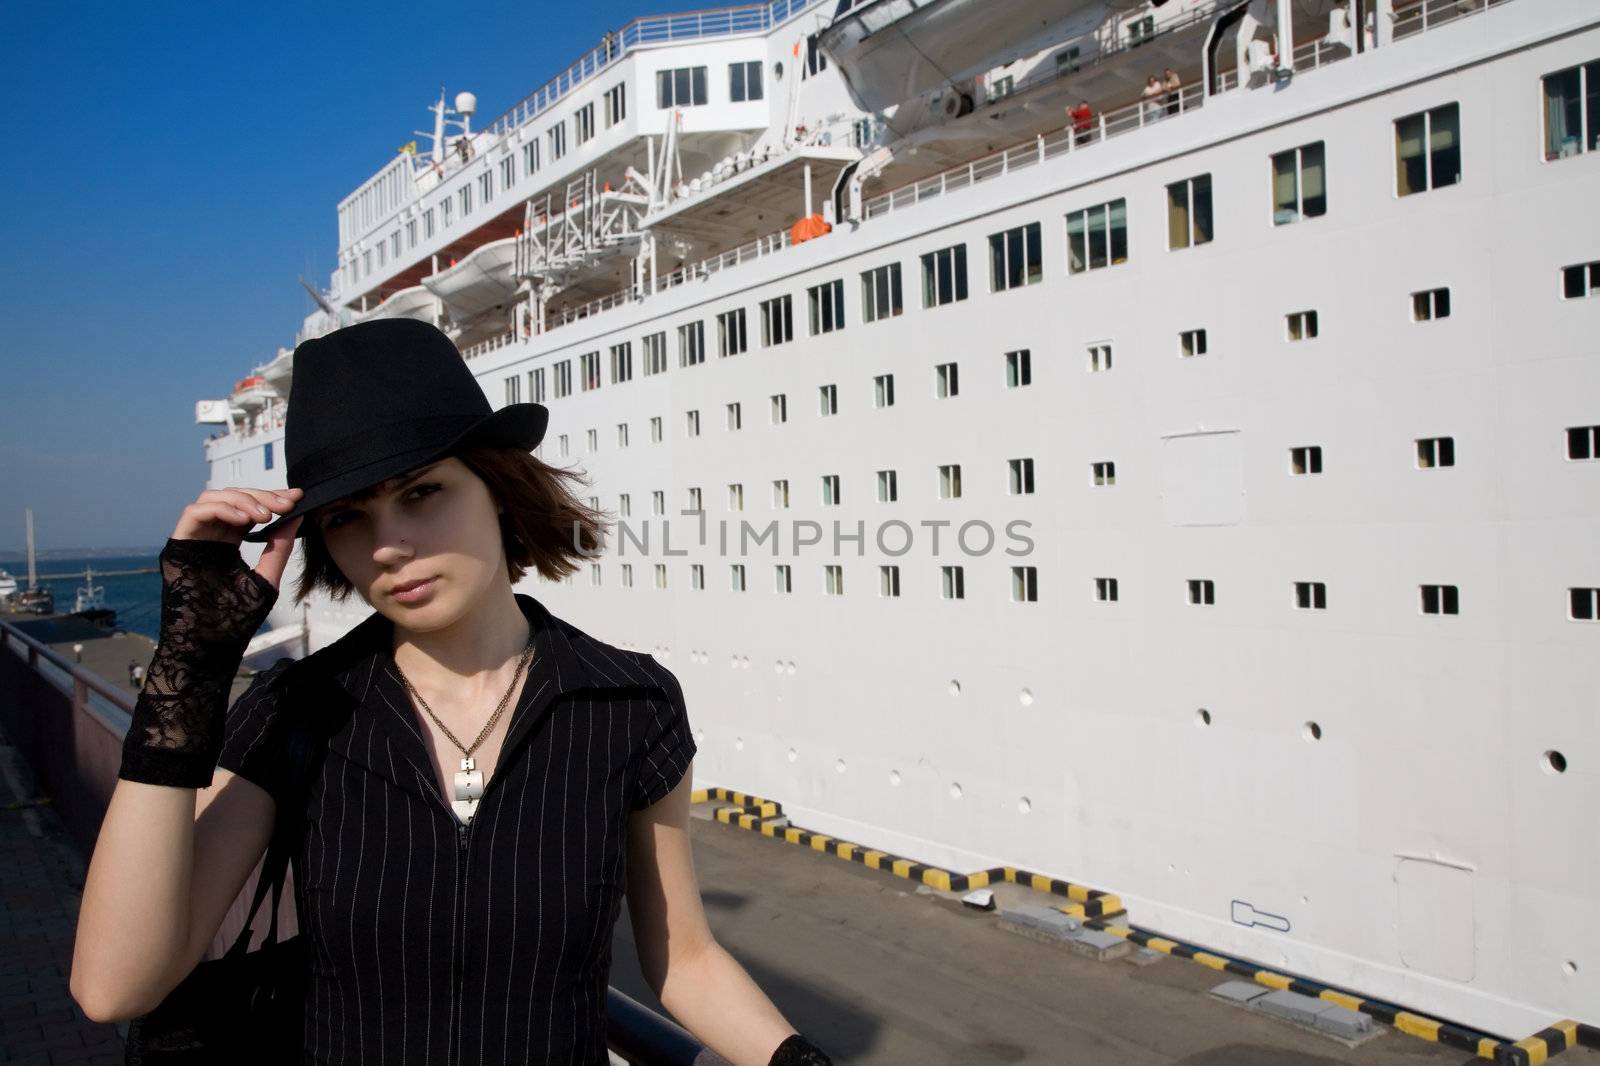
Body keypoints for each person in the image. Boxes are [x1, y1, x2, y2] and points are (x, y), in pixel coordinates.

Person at [70, 319, 834, 1066]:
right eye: (347, 518)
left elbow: (686, 960)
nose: (388, 545)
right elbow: (114, 987)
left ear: (498, 488)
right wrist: (188, 668)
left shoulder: (628, 704)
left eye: (422, 492)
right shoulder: (298, 709)